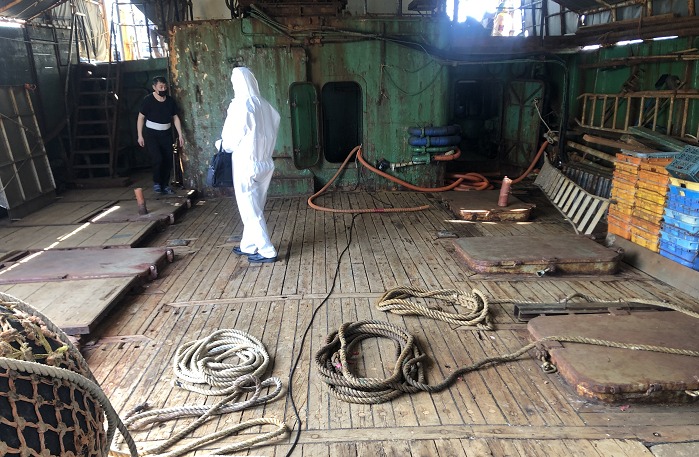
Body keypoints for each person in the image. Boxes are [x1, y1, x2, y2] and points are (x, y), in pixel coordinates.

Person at [219, 67, 280, 263]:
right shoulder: (266, 105)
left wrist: (221, 145)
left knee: (250, 210)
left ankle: (267, 250)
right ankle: (248, 245)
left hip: (246, 163)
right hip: (265, 162)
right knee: (255, 206)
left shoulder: (240, 105)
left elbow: (230, 140)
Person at [137, 76, 184, 194]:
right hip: (152, 134)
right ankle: (157, 183)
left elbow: (175, 118)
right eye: (160, 87)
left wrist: (180, 135)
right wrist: (140, 135)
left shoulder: (170, 101)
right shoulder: (148, 100)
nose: (163, 89)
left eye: (165, 87)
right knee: (157, 158)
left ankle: (165, 184)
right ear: (154, 87)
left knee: (168, 159)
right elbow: (141, 118)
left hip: (166, 134)